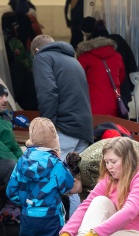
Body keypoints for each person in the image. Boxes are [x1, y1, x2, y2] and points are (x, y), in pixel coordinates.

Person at [31, 35, 93, 216]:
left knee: (52, 178)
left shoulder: (42, 58)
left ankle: (59, 230)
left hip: (65, 128)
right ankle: (77, 230)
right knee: (75, 181)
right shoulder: (73, 61)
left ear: (36, 51)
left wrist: (47, 127)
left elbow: (48, 92)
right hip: (84, 128)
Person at [81, 17, 138, 104]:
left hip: (96, 96)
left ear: (85, 33)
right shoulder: (118, 40)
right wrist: (132, 87)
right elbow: (131, 65)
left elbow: (81, 75)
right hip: (122, 92)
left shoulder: (87, 51)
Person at [76, 32, 126, 118]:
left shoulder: (85, 57)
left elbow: (77, 79)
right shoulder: (117, 56)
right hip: (114, 104)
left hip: (92, 104)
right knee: (112, 129)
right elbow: (121, 77)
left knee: (95, 129)